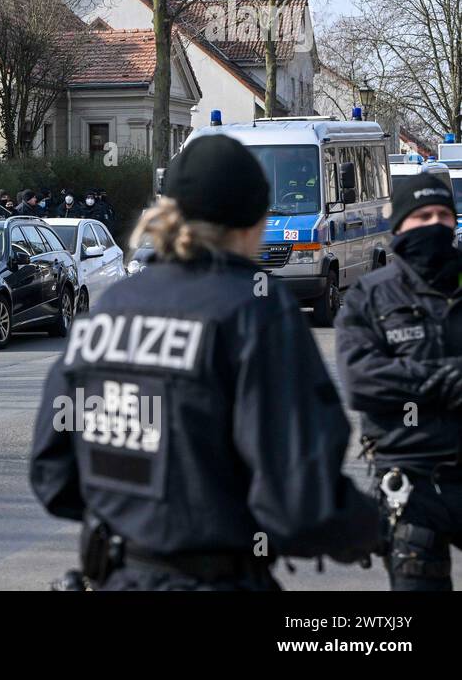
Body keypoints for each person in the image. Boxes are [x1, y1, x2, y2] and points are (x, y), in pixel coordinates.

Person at [30, 135, 378, 590]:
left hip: (117, 573)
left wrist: (138, 514)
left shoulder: (111, 309)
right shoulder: (256, 310)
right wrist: (376, 528)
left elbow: (53, 475)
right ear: (254, 221)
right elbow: (299, 502)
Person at [337, 173, 462, 590]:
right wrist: (442, 381)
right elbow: (361, 380)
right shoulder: (369, 296)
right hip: (411, 483)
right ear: (400, 227)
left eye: (444, 214)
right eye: (423, 215)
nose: (435, 224)